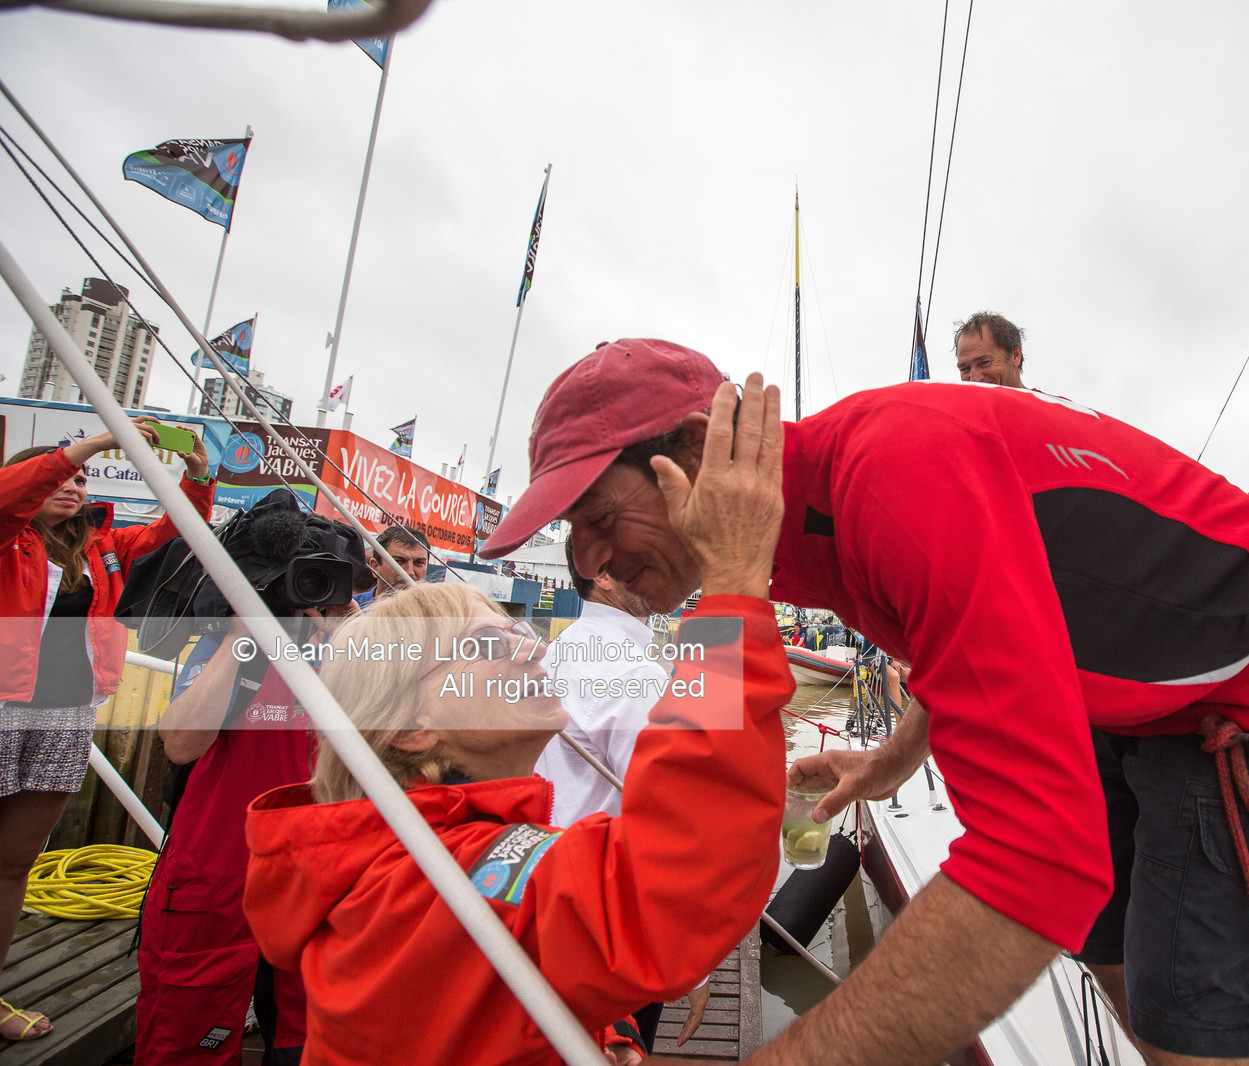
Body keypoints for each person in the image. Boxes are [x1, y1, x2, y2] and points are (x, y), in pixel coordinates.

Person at [480, 339, 1249, 1066]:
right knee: (1122, 963)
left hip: (1242, 686)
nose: (591, 563)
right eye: (573, 536)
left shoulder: (891, 477)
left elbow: (1037, 860)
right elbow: (979, 630)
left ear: (705, 451)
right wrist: (892, 758)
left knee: (1199, 1026)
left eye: (599, 518)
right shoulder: (791, 539)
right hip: (1110, 692)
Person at [240, 372, 789, 1066]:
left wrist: (604, 1030)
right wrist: (734, 588)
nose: (529, 646)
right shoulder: (424, 888)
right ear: (412, 729)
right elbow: (674, 890)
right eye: (485, 645)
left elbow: (499, 977)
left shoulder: (419, 862)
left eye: (515, 629)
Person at [0, 421, 213, 1044]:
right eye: (61, 473)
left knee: (13, 865)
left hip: (66, 714)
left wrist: (198, 474)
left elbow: (176, 529)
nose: (74, 482)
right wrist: (90, 444)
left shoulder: (103, 548)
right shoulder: (8, 535)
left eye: (82, 477)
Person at [138, 525, 366, 1064]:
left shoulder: (349, 657)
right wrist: (245, 636)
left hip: (313, 879)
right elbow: (181, 744)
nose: (316, 597)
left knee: (304, 1039)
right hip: (221, 875)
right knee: (190, 1035)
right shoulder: (233, 648)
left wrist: (353, 639)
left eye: (331, 584)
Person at [535, 538, 712, 1051]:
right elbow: (669, 823)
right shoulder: (635, 676)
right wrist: (693, 966)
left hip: (551, 899)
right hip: (613, 922)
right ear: (605, 574)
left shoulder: (558, 652)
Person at [353, 524, 430, 607]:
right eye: (398, 561)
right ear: (375, 566)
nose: (410, 572)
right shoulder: (348, 609)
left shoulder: (437, 613)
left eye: (418, 563)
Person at [953, 311, 1026, 388]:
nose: (974, 379)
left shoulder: (1039, 399)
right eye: (965, 369)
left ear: (1015, 355)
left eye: (984, 363)